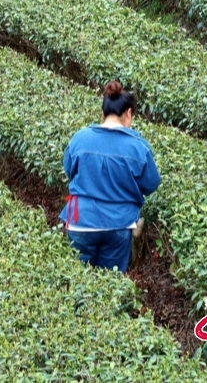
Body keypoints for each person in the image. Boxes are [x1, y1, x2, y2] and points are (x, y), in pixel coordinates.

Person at [60, 81, 160, 273]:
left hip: (81, 219)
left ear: (103, 113)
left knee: (76, 280)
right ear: (129, 114)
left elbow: (69, 170)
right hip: (119, 223)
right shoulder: (138, 146)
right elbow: (151, 184)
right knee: (110, 283)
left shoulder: (80, 138)